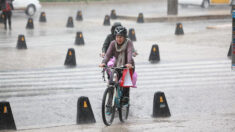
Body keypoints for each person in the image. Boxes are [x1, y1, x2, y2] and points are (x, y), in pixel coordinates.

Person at [99, 26, 135, 104]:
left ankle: (125, 98)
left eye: (121, 37)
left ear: (124, 37)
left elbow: (129, 53)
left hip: (128, 65)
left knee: (126, 81)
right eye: (117, 37)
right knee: (111, 83)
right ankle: (109, 103)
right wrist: (104, 62)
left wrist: (129, 63)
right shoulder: (112, 43)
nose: (119, 39)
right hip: (117, 64)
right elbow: (108, 54)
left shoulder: (128, 43)